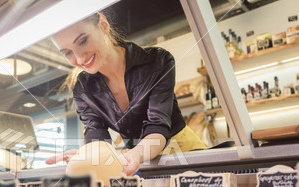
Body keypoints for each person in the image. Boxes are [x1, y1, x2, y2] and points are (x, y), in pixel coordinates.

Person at [46, 12, 206, 175]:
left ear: (103, 25)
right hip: (138, 165)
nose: (79, 59)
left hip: (186, 156)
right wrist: (87, 157)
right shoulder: (83, 88)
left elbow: (157, 125)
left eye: (83, 41)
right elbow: (96, 136)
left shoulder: (157, 61)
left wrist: (135, 154)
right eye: (67, 53)